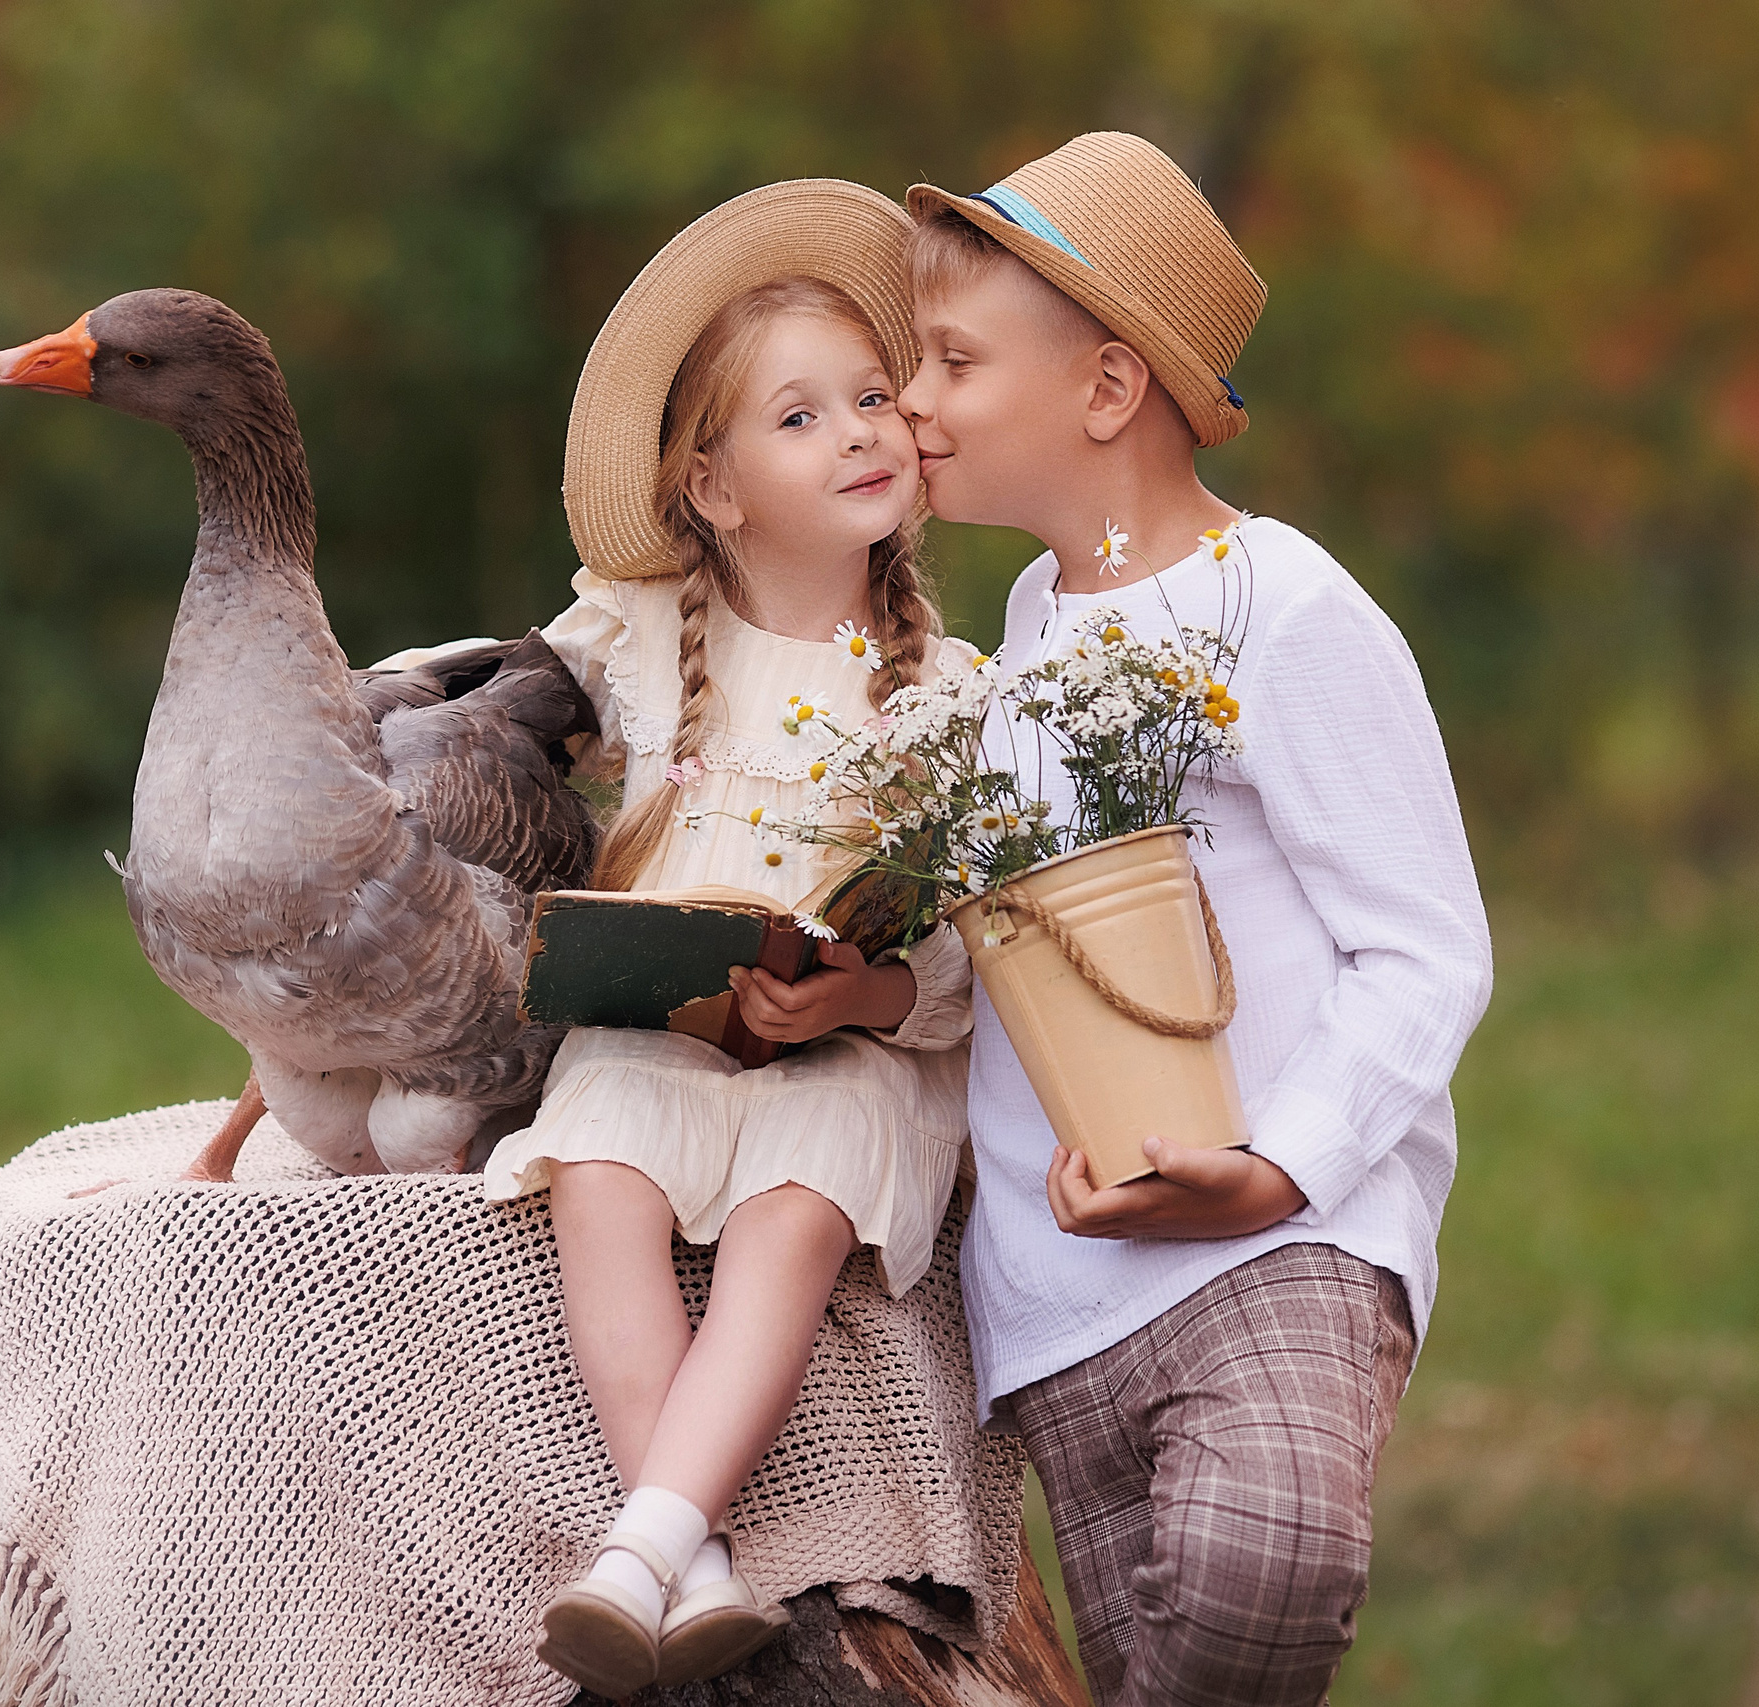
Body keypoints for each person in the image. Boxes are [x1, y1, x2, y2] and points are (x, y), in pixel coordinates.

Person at [892, 133, 1494, 1704]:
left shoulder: (1277, 601)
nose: (916, 401)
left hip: (1274, 1237)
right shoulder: (1017, 636)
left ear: (1103, 392)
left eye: (953, 360)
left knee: (1263, 1562)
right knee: (1157, 1655)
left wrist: (1279, 1162)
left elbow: (1426, 944)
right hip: (1062, 1286)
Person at [479, 182, 977, 1699]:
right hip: (660, 1022)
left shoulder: (946, 688)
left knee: (791, 1214)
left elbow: (965, 958)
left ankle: (643, 1545)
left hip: (843, 1049)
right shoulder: (629, 630)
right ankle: (684, 1567)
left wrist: (869, 988)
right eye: (801, 417)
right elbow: (478, 728)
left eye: (873, 399)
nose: (861, 433)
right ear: (711, 484)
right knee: (604, 1173)